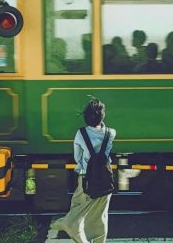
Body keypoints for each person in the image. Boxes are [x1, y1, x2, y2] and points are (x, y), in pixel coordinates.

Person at [51, 98, 116, 243]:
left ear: (86, 118)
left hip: (86, 177)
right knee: (100, 216)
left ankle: (70, 224)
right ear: (102, 116)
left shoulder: (81, 134)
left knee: (79, 205)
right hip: (105, 178)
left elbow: (77, 156)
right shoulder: (111, 133)